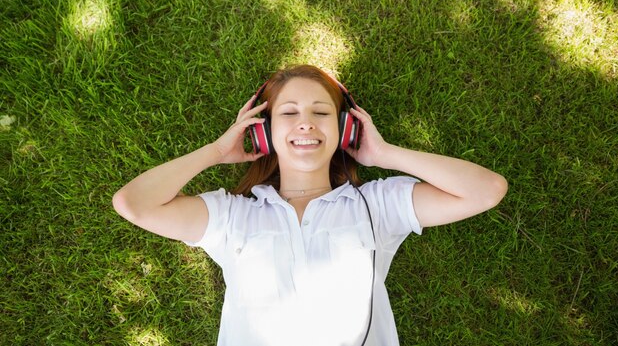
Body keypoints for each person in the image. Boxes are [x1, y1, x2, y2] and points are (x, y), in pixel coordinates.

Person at [112, 64, 508, 346]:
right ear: (263, 134)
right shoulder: (231, 215)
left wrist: (387, 154)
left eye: (321, 113)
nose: (306, 123)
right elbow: (134, 203)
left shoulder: (378, 206)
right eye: (289, 113)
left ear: (345, 130)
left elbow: (486, 189)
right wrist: (215, 151)